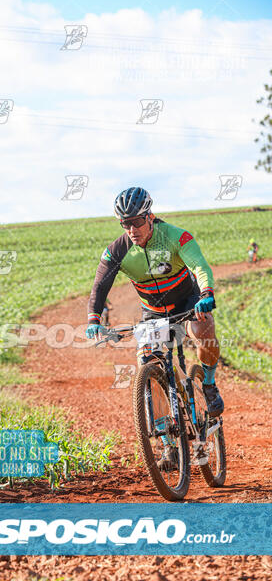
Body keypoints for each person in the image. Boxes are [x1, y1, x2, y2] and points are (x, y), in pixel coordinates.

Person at [85, 187, 224, 470]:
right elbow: (100, 285)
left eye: (137, 221)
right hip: (154, 311)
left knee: (202, 329)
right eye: (125, 223)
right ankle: (168, 446)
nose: (132, 229)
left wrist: (207, 292)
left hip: (189, 300)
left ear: (150, 216)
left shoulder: (174, 236)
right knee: (147, 365)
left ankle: (208, 383)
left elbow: (199, 265)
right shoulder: (118, 250)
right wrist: (93, 318)